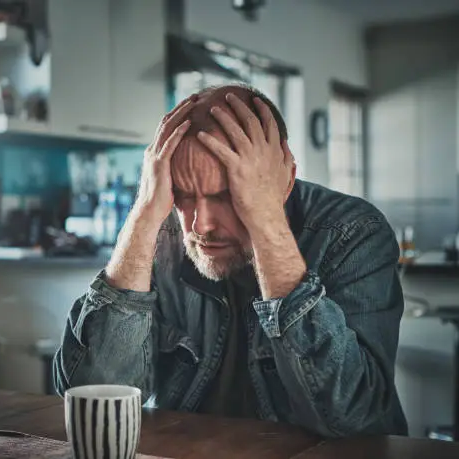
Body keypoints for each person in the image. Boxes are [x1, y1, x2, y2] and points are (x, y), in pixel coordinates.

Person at [53, 84, 408, 437]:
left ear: (282, 181)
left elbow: (352, 417)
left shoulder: (352, 231)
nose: (199, 226)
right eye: (183, 194)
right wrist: (144, 214)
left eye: (227, 194)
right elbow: (92, 397)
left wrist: (267, 223)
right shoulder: (162, 237)